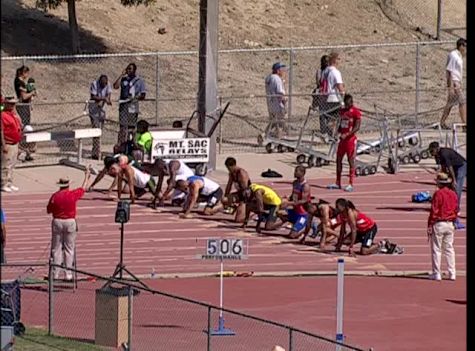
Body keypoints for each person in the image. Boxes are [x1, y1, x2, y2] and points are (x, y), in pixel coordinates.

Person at [47, 167, 91, 280]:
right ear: (68, 185)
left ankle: (55, 273)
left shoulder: (55, 196)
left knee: (56, 248)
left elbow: (49, 210)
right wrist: (87, 176)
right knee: (69, 248)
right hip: (70, 221)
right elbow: (83, 188)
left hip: (57, 221)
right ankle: (68, 274)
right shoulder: (72, 194)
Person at [427, 173, 458, 281]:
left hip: (439, 223)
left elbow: (434, 210)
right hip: (450, 223)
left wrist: (430, 224)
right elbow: (456, 209)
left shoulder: (438, 194)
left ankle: (437, 273)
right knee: (449, 248)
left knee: (437, 249)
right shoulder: (453, 194)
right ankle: (452, 272)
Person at [327, 94, 362, 192]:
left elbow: (357, 127)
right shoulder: (342, 111)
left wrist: (347, 134)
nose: (347, 105)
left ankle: (351, 183)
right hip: (342, 140)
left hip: (350, 140)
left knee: (351, 161)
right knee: (338, 160)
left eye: (348, 104)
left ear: (351, 102)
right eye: (345, 104)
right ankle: (338, 182)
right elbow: (341, 124)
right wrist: (337, 132)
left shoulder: (355, 112)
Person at [428, 141, 466, 229]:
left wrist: (453, 180)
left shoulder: (444, 153)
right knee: (449, 187)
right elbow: (443, 167)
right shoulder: (437, 156)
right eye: (430, 151)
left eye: (432, 151)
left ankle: (456, 210)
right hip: (454, 168)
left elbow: (450, 167)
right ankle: (450, 205)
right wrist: (443, 177)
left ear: (436, 149)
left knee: (457, 188)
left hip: (461, 166)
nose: (431, 153)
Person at [113, 63, 146, 144]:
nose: (128, 70)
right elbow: (115, 86)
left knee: (131, 127)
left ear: (134, 70)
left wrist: (135, 98)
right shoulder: (124, 79)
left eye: (130, 69)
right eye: (127, 68)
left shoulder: (139, 81)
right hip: (123, 106)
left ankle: (131, 144)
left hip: (132, 106)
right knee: (123, 127)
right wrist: (121, 75)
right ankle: (121, 145)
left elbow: (143, 95)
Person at [440, 38, 466, 129]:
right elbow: (449, 71)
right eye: (465, 46)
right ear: (461, 46)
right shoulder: (453, 55)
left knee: (450, 104)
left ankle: (442, 122)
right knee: (462, 101)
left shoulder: (459, 56)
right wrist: (450, 86)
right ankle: (464, 125)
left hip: (457, 82)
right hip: (454, 83)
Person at [280, 166, 311, 239]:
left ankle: (306, 227)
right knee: (279, 211)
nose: (295, 173)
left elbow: (303, 201)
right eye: (295, 171)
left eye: (297, 171)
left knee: (292, 236)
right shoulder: (295, 183)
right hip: (295, 211)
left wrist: (289, 203)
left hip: (303, 214)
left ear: (303, 173)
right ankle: (293, 222)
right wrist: (286, 199)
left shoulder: (305, 186)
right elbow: (293, 196)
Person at [319, 52, 345, 137]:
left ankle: (329, 134)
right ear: (334, 60)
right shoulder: (335, 72)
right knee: (334, 119)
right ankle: (332, 136)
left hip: (325, 98)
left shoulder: (325, 71)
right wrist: (343, 98)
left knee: (330, 118)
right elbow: (340, 87)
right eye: (339, 59)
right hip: (334, 98)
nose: (339, 61)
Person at [1, 97, 23, 192]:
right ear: (5, 104)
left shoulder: (13, 115)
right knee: (6, 165)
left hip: (15, 143)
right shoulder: (2, 115)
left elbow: (20, 125)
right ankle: (3, 183)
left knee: (12, 164)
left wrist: (16, 113)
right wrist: (3, 144)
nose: (12, 106)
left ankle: (10, 182)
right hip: (8, 143)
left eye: (14, 104)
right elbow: (1, 131)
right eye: (10, 104)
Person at [89, 74, 112, 159]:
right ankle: (95, 152)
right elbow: (93, 96)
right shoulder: (94, 84)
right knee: (95, 130)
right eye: (102, 84)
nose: (104, 86)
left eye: (105, 84)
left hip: (102, 109)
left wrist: (107, 99)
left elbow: (109, 94)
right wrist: (103, 99)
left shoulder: (107, 84)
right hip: (93, 108)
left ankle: (98, 151)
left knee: (100, 131)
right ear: (99, 82)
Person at [223, 157, 252, 223]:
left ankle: (250, 213)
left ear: (232, 166)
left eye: (228, 168)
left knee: (238, 220)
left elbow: (246, 189)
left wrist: (240, 203)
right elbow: (229, 186)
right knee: (224, 199)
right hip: (239, 194)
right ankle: (235, 208)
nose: (228, 170)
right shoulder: (231, 174)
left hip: (247, 196)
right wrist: (226, 196)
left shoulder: (241, 173)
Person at [264, 62, 287, 140]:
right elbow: (280, 93)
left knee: (273, 123)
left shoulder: (269, 77)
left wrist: (282, 81)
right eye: (282, 69)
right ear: (278, 71)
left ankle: (264, 135)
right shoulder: (277, 79)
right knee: (280, 124)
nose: (283, 71)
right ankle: (278, 140)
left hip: (271, 105)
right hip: (278, 105)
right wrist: (284, 101)